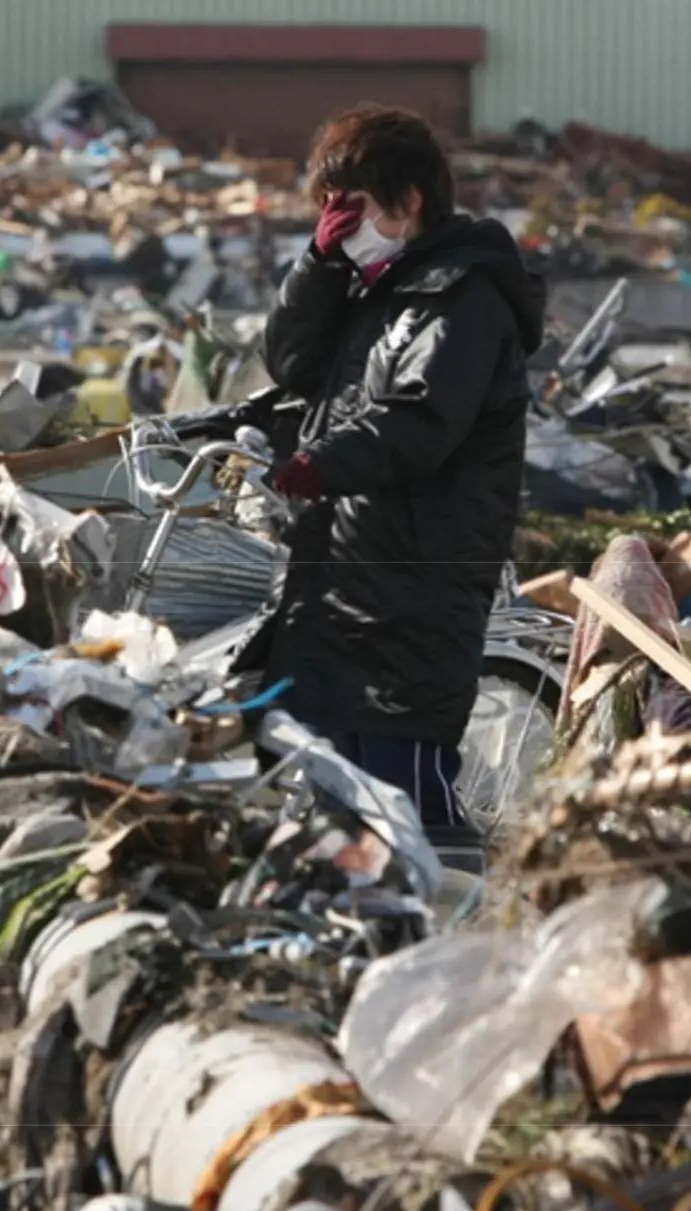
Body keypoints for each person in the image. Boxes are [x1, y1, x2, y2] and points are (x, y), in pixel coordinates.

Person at [257, 105, 546, 830]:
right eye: (327, 210)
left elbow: (421, 419)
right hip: (344, 577)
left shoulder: (463, 296)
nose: (339, 221)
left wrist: (317, 466)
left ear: (409, 200)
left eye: (351, 206)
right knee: (334, 816)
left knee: (408, 811)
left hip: (414, 585)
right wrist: (316, 266)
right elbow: (291, 363)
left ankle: (458, 932)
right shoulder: (372, 291)